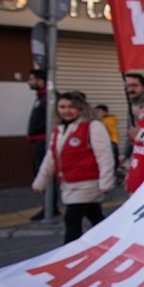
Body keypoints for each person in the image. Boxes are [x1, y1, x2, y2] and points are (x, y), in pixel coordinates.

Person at [31, 92, 114, 244]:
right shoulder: (59, 129)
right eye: (62, 107)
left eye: (71, 107)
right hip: (68, 183)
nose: (66, 111)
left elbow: (104, 156)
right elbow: (51, 157)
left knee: (71, 219)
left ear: (81, 108)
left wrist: (106, 182)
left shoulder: (93, 126)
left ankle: (68, 251)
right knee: (95, 216)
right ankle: (112, 241)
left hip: (87, 182)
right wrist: (40, 181)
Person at [26, 68, 58, 219]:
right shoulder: (41, 97)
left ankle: (50, 207)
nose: (29, 82)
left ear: (40, 80)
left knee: (46, 171)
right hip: (39, 140)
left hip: (45, 140)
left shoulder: (49, 97)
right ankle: (49, 206)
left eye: (31, 79)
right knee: (41, 170)